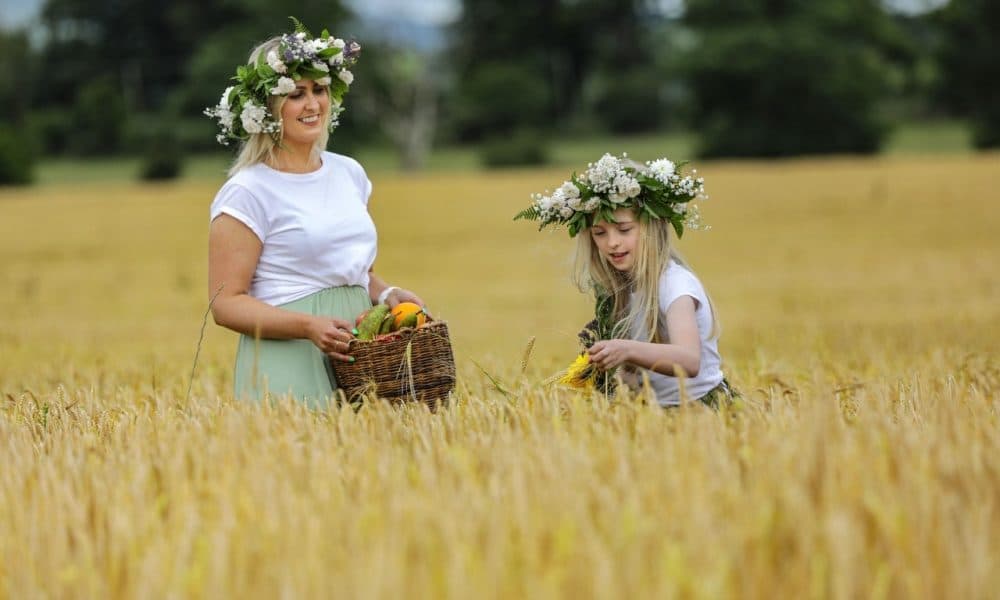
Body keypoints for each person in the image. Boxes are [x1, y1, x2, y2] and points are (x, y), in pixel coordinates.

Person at [204, 20, 423, 408]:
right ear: (268, 108)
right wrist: (308, 327)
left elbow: (354, 270)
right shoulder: (247, 191)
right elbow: (226, 304)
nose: (312, 105)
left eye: (319, 90)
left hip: (360, 350)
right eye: (295, 94)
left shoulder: (349, 173)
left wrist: (387, 294)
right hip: (288, 353)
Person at [516, 153, 736, 409]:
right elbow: (635, 374)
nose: (612, 242)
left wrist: (626, 349)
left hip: (701, 412)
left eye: (624, 230)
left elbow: (689, 360)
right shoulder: (622, 290)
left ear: (652, 226)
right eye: (599, 233)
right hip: (651, 413)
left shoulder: (676, 286)